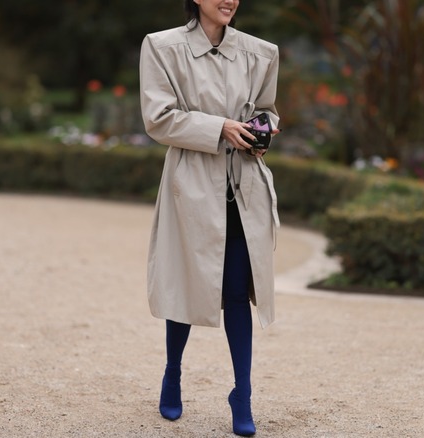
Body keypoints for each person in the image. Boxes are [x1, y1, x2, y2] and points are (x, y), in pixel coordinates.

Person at [139, 0, 280, 436]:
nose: (229, 0)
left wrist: (262, 131)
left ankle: (243, 395)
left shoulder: (262, 52)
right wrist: (219, 127)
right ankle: (173, 374)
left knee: (238, 293)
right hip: (193, 188)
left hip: (244, 187)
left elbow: (269, 111)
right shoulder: (162, 47)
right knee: (187, 284)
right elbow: (158, 119)